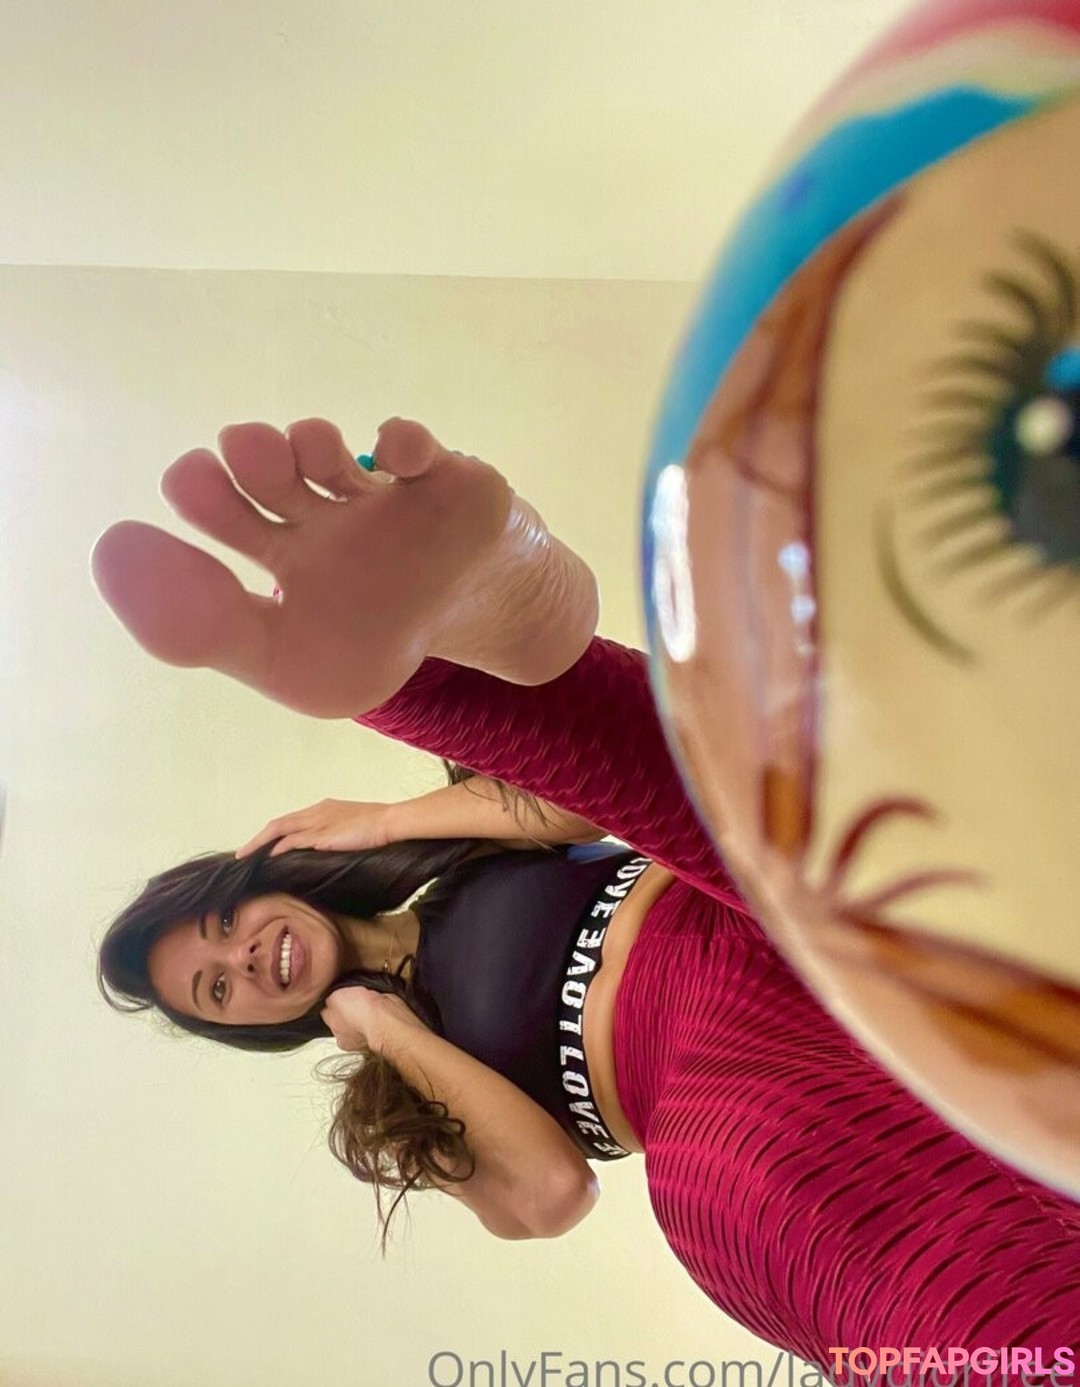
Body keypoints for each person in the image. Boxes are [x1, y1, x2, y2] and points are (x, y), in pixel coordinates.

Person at [91, 417, 1080, 1367]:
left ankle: (474, 647)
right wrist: (385, 1028)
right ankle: (442, 675)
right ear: (249, 1026)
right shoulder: (391, 1094)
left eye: (224, 924)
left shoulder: (455, 861)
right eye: (217, 987)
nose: (244, 958)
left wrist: (388, 821)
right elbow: (548, 1192)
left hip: (739, 911)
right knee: (897, 1257)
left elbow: (567, 809)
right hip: (713, 1096)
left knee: (770, 812)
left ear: (261, 870)